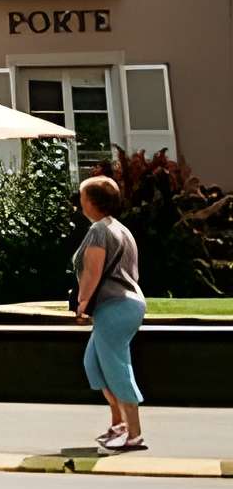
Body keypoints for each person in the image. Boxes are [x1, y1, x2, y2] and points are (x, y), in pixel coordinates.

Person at [75, 172, 148, 453]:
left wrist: (82, 302)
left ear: (91, 201)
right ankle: (119, 423)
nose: (80, 201)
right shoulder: (119, 229)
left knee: (116, 367)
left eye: (82, 196)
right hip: (125, 304)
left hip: (115, 305)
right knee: (94, 363)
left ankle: (134, 434)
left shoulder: (99, 230)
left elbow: (93, 270)